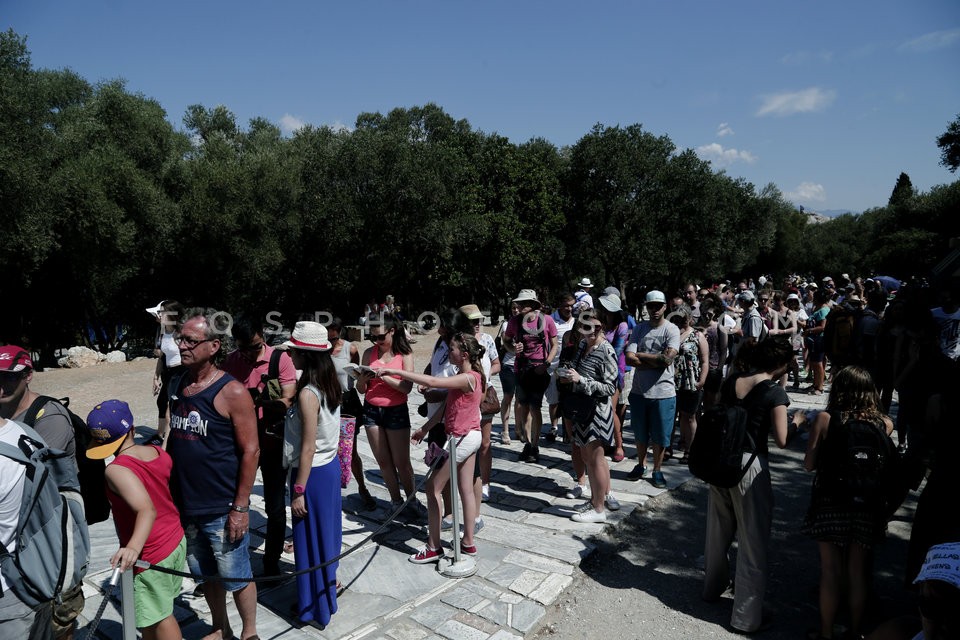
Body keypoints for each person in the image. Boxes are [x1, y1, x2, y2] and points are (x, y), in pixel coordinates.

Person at [166, 308, 260, 640]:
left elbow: (251, 451)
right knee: (205, 573)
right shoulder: (178, 382)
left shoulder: (232, 392)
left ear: (214, 346)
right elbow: (174, 437)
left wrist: (241, 507)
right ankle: (220, 627)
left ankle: (249, 633)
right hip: (187, 503)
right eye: (180, 338)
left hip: (222, 506)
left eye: (190, 340)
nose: (182, 345)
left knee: (237, 574)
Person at [702, 337, 794, 634]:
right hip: (750, 467)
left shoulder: (734, 381)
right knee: (752, 542)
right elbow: (782, 439)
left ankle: (711, 588)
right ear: (781, 365)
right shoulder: (774, 392)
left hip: (721, 461)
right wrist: (800, 422)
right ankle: (745, 617)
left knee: (717, 531)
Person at [801, 366, 895, 640]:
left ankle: (826, 633)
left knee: (830, 571)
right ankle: (855, 632)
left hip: (831, 501)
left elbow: (809, 465)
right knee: (857, 572)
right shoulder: (885, 423)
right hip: (867, 504)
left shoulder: (825, 419)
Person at [377, 332, 485, 563]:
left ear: (464, 354)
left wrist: (397, 372)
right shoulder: (463, 376)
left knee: (432, 488)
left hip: (462, 438)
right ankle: (468, 543)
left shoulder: (468, 378)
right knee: (465, 489)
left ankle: (434, 546)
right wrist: (425, 429)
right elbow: (447, 408)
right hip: (468, 437)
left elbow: (433, 382)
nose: (448, 353)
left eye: (452, 349)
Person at [0, 346, 85, 640]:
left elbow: (36, 487)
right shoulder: (5, 414)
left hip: (50, 534)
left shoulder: (49, 417)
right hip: (22, 540)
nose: (1, 384)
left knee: (60, 619)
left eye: (9, 376)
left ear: (28, 376)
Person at [84, 399, 186, 640]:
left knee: (160, 617)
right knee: (152, 614)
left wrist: (132, 547)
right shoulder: (157, 452)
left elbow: (146, 510)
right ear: (131, 429)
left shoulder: (116, 470)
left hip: (151, 552)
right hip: (174, 540)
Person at [222, 314, 297, 579]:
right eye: (243, 348)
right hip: (240, 444)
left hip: (271, 442)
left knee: (275, 507)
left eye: (254, 347)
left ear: (262, 336)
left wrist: (264, 402)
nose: (249, 354)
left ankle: (271, 561)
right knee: (231, 502)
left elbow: (288, 398)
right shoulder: (231, 361)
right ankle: (228, 564)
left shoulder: (279, 359)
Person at [279, 322, 342, 628]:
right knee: (326, 538)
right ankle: (324, 598)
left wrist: (299, 490)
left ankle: (312, 607)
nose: (289, 355)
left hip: (312, 473)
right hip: (328, 468)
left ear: (306, 354)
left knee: (309, 542)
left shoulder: (308, 393)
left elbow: (307, 447)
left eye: (293, 350)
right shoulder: (330, 382)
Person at [354, 312, 420, 516]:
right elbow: (362, 390)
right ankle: (395, 501)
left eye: (381, 336)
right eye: (372, 337)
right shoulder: (369, 353)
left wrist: (383, 376)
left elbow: (406, 387)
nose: (377, 341)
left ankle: (412, 500)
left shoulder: (404, 354)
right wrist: (362, 380)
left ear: (392, 331)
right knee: (383, 461)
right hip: (371, 409)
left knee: (402, 462)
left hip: (395, 410)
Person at [558, 313, 618, 523]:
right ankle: (594, 500)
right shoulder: (583, 345)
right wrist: (566, 374)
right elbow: (576, 370)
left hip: (597, 413)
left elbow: (610, 388)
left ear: (602, 327)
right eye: (585, 327)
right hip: (582, 411)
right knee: (587, 458)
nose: (590, 331)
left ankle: (599, 509)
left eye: (595, 327)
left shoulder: (606, 351)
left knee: (596, 460)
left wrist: (581, 380)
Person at [625, 290, 680, 489]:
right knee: (640, 433)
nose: (654, 309)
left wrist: (641, 355)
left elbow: (667, 359)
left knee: (660, 435)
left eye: (658, 305)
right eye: (651, 306)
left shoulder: (671, 329)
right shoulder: (639, 329)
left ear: (665, 307)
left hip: (663, 392)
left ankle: (657, 469)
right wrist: (656, 360)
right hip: (639, 391)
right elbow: (629, 357)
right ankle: (641, 465)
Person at [327, 317, 376, 510]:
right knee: (327, 449)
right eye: (327, 338)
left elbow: (355, 376)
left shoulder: (350, 349)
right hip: (326, 402)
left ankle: (362, 488)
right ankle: (331, 490)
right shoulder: (321, 349)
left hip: (346, 401)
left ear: (339, 332)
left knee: (350, 449)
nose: (330, 342)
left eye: (333, 338)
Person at [504, 289, 558, 463]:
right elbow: (506, 340)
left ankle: (535, 445)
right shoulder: (514, 321)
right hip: (521, 370)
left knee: (535, 408)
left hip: (539, 370)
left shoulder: (546, 320)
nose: (519, 306)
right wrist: (513, 349)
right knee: (524, 407)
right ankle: (527, 443)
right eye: (518, 303)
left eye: (523, 303)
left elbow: (554, 344)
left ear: (533, 305)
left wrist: (547, 363)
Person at [460, 304, 500, 505]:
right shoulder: (458, 342)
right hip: (464, 396)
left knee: (484, 443)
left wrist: (486, 375)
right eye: (472, 321)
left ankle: (485, 482)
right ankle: (467, 481)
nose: (477, 324)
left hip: (484, 395)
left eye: (479, 320)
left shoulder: (487, 339)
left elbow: (497, 363)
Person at [669, 305, 708, 463]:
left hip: (691, 381)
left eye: (684, 318)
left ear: (690, 318)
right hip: (671, 380)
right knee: (670, 416)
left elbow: (704, 361)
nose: (681, 321)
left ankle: (689, 450)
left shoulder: (698, 335)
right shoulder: (671, 333)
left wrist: (702, 380)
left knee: (689, 417)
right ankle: (667, 447)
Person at [147, 300, 186, 445]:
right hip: (168, 372)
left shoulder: (180, 333)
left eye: (162, 312)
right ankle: (160, 435)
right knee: (162, 402)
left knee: (173, 407)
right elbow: (162, 357)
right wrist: (155, 377)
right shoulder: (164, 332)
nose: (159, 315)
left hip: (181, 372)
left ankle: (169, 439)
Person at [545, 293, 576, 443]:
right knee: (554, 400)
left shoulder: (577, 321)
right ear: (559, 305)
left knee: (569, 399)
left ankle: (569, 433)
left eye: (571, 306)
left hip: (571, 367)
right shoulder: (551, 321)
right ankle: (554, 427)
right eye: (566, 306)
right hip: (553, 366)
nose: (569, 309)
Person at [497, 301, 521, 444]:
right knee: (508, 397)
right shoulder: (507, 325)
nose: (515, 310)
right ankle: (505, 430)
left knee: (520, 399)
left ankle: (518, 428)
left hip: (523, 366)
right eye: (513, 308)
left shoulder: (528, 325)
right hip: (508, 365)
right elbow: (507, 344)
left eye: (518, 308)